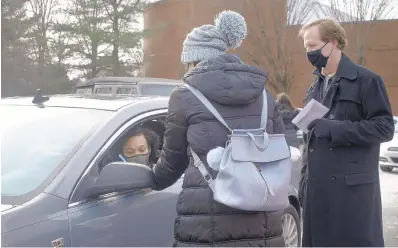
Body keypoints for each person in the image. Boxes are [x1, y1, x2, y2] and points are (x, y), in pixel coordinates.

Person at [151, 10, 286, 247]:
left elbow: (172, 162)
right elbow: (279, 148)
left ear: (195, 59)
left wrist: (150, 177)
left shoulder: (184, 96)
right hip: (262, 216)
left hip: (206, 219)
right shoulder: (265, 94)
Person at [298, 18, 395, 247]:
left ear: (332, 43)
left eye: (312, 46)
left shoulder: (366, 80)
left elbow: (384, 127)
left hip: (351, 196)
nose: (308, 52)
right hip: (317, 194)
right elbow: (309, 139)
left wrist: (335, 128)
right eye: (305, 48)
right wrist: (304, 182)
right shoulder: (315, 86)